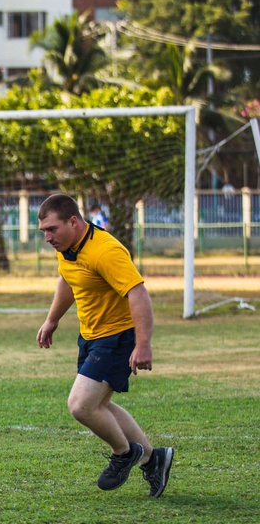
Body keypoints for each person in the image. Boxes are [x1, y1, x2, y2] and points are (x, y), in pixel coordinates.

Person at [36, 194, 173, 498]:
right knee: (100, 405)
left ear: (74, 221)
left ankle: (124, 453)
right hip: (91, 335)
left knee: (81, 406)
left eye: (52, 229)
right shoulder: (68, 246)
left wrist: (143, 344)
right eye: (43, 231)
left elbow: (138, 293)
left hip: (118, 337)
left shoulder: (106, 250)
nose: (47, 238)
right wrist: (52, 319)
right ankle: (154, 459)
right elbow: (68, 280)